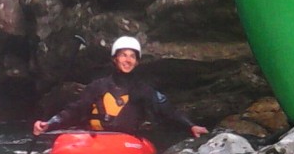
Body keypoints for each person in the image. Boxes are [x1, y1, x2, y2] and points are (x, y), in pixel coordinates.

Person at [33, 36, 208, 139]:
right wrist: (49, 124)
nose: (128, 60)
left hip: (125, 142)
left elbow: (168, 111)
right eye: (123, 55)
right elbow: (75, 110)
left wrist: (190, 126)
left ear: (137, 62)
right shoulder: (98, 86)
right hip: (95, 140)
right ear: (115, 59)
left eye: (132, 56)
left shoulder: (143, 90)